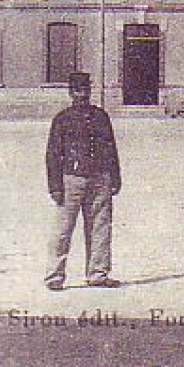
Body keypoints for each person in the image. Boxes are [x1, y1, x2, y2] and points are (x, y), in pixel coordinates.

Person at [45, 73, 122, 290]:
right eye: (78, 90)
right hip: (72, 179)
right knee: (63, 229)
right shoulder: (62, 118)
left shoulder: (101, 116)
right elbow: (53, 154)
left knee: (100, 226)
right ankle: (54, 276)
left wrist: (115, 177)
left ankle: (98, 273)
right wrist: (55, 186)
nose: (82, 94)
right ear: (70, 93)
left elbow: (110, 147)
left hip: (101, 178)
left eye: (85, 90)